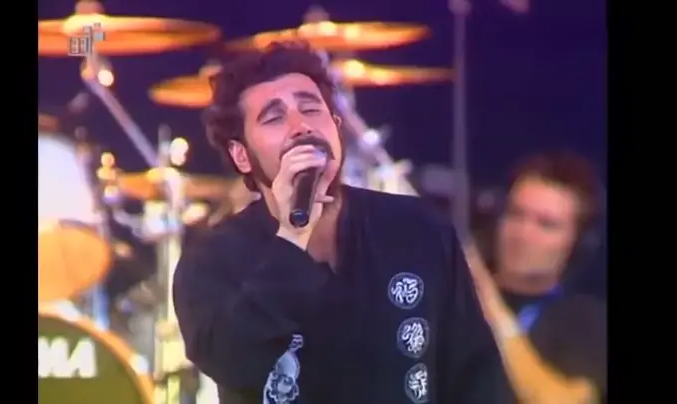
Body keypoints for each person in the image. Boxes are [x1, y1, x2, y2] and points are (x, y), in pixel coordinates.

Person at [173, 42, 506, 404]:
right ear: (241, 155)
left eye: (311, 109)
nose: (301, 127)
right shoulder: (212, 259)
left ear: (335, 126)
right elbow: (231, 361)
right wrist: (294, 235)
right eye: (274, 118)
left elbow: (475, 377)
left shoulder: (418, 228)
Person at [464, 152, 607, 403]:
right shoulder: (456, 295)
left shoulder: (587, 320)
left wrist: (489, 300)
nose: (523, 234)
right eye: (515, 214)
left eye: (546, 225)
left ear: (577, 242)